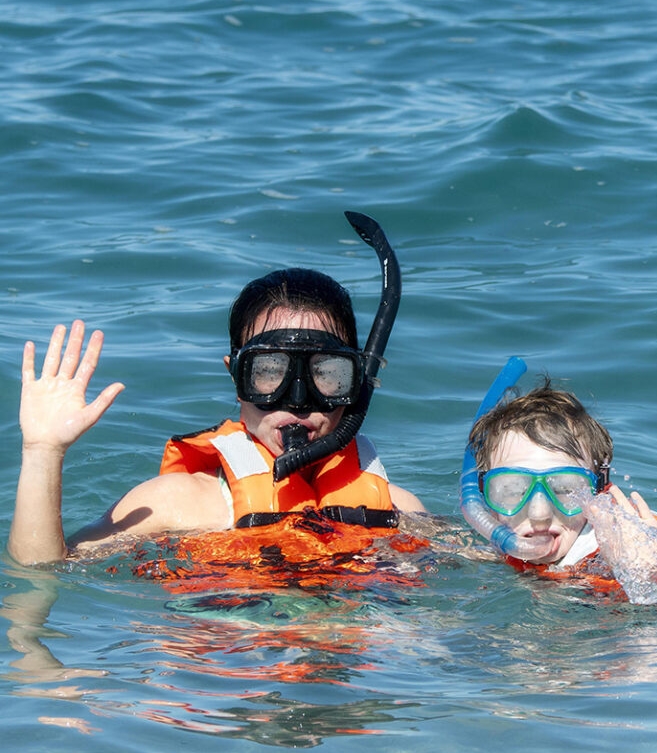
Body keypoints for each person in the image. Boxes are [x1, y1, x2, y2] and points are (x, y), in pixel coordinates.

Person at [8, 212, 425, 567]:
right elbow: (44, 570)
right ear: (236, 377)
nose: (297, 401)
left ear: (357, 382)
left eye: (325, 374)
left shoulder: (397, 510)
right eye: (268, 372)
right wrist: (43, 453)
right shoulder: (179, 504)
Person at [460, 358, 657, 594]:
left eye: (565, 489)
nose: (539, 514)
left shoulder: (645, 546)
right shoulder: (498, 543)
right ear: (483, 496)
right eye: (513, 489)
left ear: (599, 490)